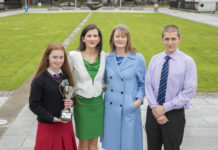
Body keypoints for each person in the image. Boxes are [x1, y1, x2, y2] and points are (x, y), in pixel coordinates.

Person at [145, 25, 197, 150]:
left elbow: (189, 91)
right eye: (167, 39)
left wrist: (165, 108)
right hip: (153, 112)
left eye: (173, 39)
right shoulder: (155, 59)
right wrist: (157, 109)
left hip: (174, 114)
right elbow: (148, 85)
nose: (170, 42)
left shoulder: (187, 62)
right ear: (162, 40)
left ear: (179, 39)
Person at [101, 24, 146, 150]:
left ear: (128, 39)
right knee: (112, 144)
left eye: (123, 36)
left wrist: (137, 102)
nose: (120, 39)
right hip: (111, 108)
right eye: (117, 36)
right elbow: (102, 81)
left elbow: (143, 84)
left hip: (129, 106)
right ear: (112, 39)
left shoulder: (138, 58)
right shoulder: (106, 58)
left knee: (129, 144)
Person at [29, 42, 77, 150]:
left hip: (65, 125)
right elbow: (34, 105)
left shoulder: (66, 76)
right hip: (48, 127)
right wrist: (53, 119)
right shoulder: (39, 80)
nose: (58, 60)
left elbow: (71, 95)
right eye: (54, 57)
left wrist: (71, 101)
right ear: (47, 58)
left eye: (61, 57)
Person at [68, 24, 105, 150]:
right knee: (83, 142)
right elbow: (67, 79)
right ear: (83, 38)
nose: (92, 38)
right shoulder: (73, 56)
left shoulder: (104, 56)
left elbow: (107, 78)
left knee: (94, 142)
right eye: (89, 36)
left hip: (98, 103)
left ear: (99, 39)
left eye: (95, 36)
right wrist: (68, 99)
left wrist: (104, 87)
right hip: (81, 103)